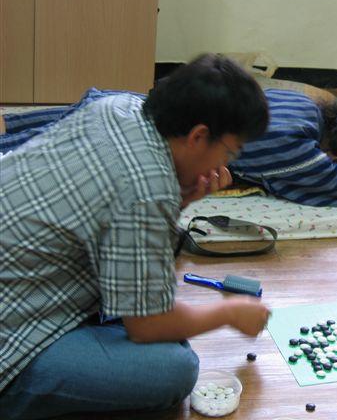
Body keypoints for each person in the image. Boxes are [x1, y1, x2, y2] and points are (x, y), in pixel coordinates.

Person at [0, 54, 272, 419]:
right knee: (174, 369)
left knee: (162, 320)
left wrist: (180, 200)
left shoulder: (120, 107)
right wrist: (229, 312)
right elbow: (147, 326)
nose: (225, 166)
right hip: (12, 340)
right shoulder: (147, 191)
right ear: (198, 136)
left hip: (28, 279)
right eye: (228, 152)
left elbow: (124, 228)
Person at [1, 89, 337, 207]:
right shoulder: (303, 160)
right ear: (335, 159)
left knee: (21, 134)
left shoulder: (307, 105)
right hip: (135, 147)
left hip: (120, 105)